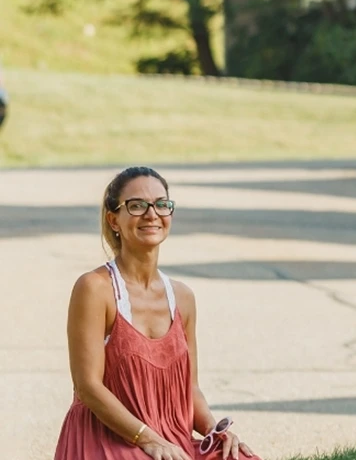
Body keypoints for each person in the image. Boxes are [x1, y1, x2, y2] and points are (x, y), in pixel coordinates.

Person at [56, 167, 261, 460]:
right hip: (107, 439)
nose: (151, 214)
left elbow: (190, 388)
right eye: (137, 205)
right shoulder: (94, 288)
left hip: (170, 442)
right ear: (114, 220)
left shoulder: (182, 297)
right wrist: (148, 439)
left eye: (161, 204)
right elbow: (87, 386)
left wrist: (215, 431)